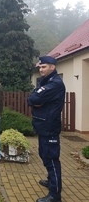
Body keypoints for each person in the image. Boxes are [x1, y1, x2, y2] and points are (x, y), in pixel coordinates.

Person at [27, 56, 65, 202]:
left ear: (52, 67)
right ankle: (51, 182)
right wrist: (34, 99)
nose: (41, 69)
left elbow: (35, 99)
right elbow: (32, 98)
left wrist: (35, 100)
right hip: (43, 126)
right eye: (40, 67)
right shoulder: (45, 81)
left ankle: (55, 195)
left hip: (49, 127)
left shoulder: (55, 84)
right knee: (45, 155)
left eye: (44, 67)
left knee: (51, 159)